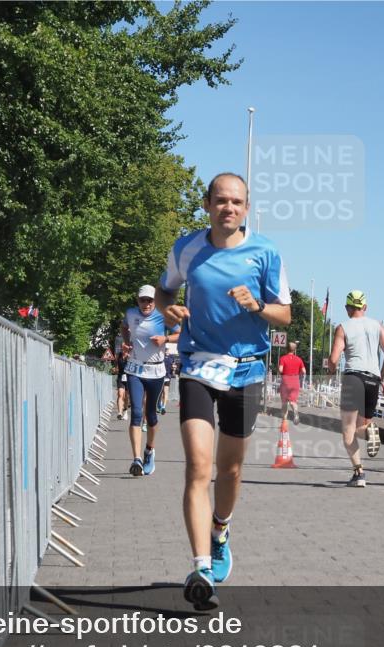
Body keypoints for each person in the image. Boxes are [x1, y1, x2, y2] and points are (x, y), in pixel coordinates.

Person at [155, 172, 291, 610]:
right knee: (198, 467)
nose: (228, 208)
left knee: (229, 471)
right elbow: (164, 292)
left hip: (246, 371)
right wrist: (169, 310)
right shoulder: (187, 248)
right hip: (198, 365)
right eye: (220, 200)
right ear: (207, 204)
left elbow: (285, 315)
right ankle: (200, 569)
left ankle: (221, 530)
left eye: (236, 202)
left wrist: (257, 305)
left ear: (247, 208)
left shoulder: (266, 252)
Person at [327, 290, 384, 488]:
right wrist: (381, 376)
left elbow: (334, 359)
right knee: (360, 427)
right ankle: (369, 431)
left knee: (348, 431)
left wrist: (331, 371)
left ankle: (359, 473)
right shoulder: (378, 326)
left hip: (353, 378)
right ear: (365, 307)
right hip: (372, 379)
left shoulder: (343, 328)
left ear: (347, 308)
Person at [122, 285, 180, 476]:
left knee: (151, 414)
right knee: (136, 412)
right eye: (142, 300)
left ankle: (149, 451)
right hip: (135, 368)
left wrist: (165, 339)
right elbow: (124, 327)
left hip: (156, 371)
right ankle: (136, 459)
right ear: (137, 300)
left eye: (150, 300)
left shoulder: (163, 315)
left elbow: (181, 334)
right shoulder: (130, 313)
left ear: (155, 301)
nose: (146, 304)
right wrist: (126, 342)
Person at [277, 341, 306, 423]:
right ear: (294, 350)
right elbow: (304, 371)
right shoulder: (299, 359)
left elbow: (280, 370)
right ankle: (296, 414)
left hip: (286, 381)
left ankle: (284, 420)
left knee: (284, 402)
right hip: (295, 381)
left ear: (286, 349)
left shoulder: (283, 358)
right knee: (293, 401)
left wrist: (278, 370)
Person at [114, 334, 128, 419]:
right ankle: (119, 412)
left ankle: (125, 411)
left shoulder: (130, 356)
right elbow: (116, 366)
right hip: (121, 376)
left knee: (126, 396)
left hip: (129, 377)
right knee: (120, 394)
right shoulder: (118, 356)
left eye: (124, 347)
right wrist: (115, 369)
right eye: (122, 347)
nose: (122, 349)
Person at [158, 349, 176, 415]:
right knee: (160, 393)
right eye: (165, 350)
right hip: (160, 376)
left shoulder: (171, 357)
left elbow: (174, 366)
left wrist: (174, 368)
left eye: (167, 350)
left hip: (167, 376)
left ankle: (163, 407)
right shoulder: (160, 356)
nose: (166, 351)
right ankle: (159, 405)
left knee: (165, 392)